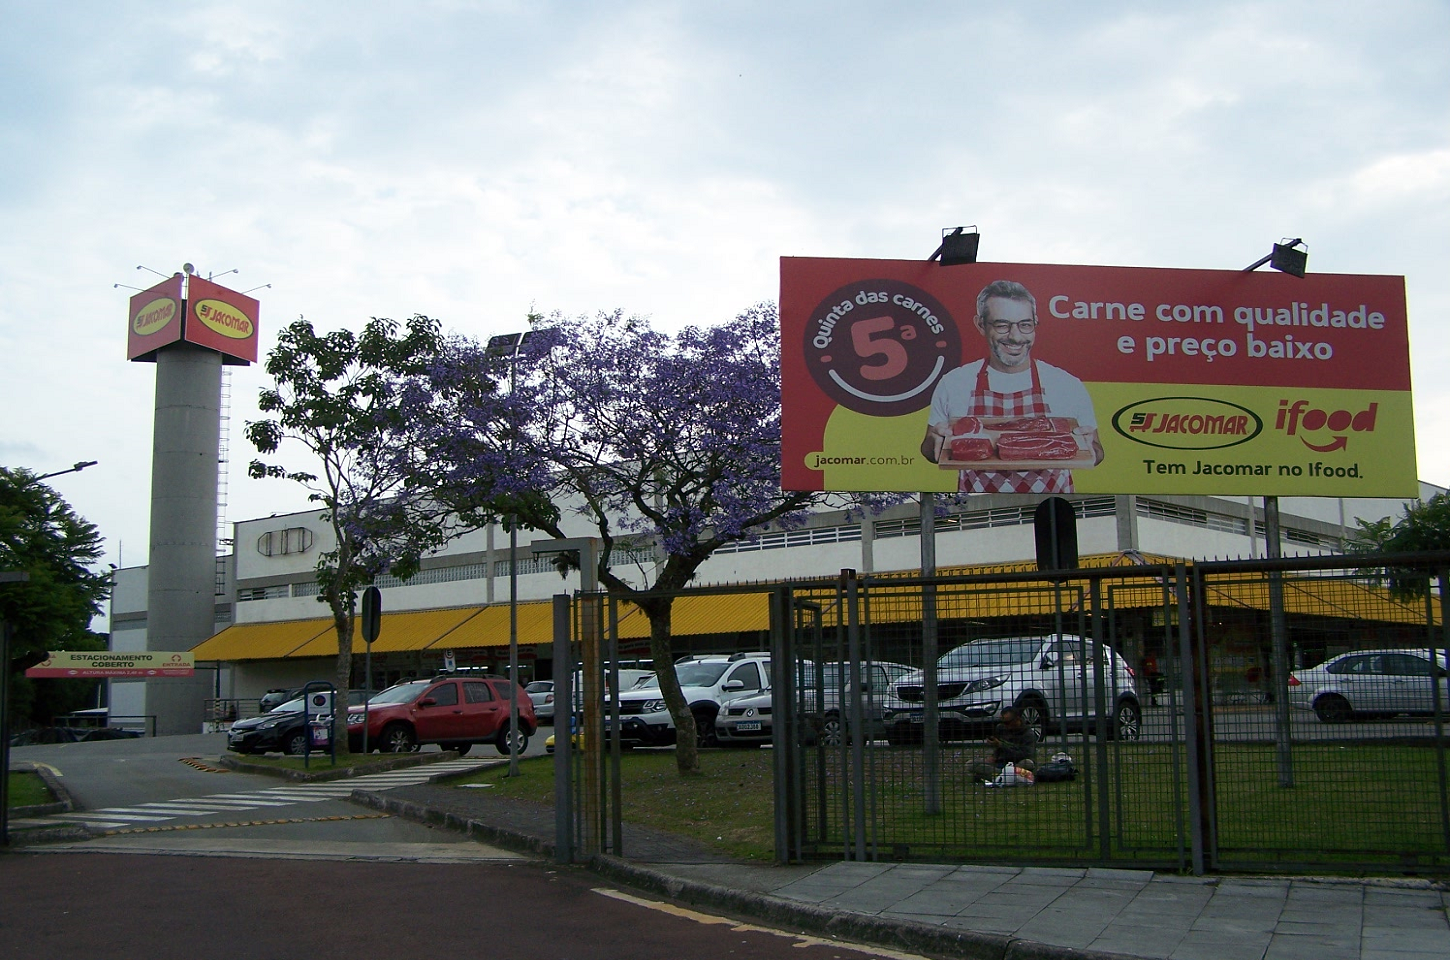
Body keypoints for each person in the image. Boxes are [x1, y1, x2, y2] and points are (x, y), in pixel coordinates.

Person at [921, 279, 1103, 493]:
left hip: (1052, 511)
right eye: (1002, 325)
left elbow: (1098, 453)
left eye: (1025, 325)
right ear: (981, 324)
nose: (1015, 337)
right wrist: (935, 441)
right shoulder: (954, 383)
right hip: (978, 511)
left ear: (1035, 324)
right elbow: (928, 450)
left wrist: (1091, 446)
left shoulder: (1066, 385)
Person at [969, 706, 1037, 782]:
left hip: (1017, 764)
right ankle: (1002, 776)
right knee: (971, 764)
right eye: (1002, 722)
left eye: (1007, 722)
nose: (1005, 725)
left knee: (1028, 763)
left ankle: (996, 776)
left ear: (1017, 719)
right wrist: (994, 756)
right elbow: (998, 749)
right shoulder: (1001, 728)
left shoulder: (1028, 734)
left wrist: (1001, 745)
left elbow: (1025, 755)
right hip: (1000, 763)